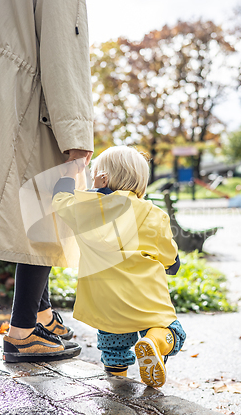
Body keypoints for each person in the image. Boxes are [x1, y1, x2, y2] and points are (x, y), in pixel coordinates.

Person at [0, 0, 94, 362]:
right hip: (31, 94)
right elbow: (63, 46)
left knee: (27, 208)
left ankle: (42, 314)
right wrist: (76, 133)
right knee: (47, 208)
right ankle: (23, 332)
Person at [51, 146, 186, 387]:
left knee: (114, 345)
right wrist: (172, 262)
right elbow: (167, 252)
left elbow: (60, 200)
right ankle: (155, 342)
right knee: (172, 331)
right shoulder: (151, 213)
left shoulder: (86, 211)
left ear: (102, 177)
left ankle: (117, 383)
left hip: (105, 301)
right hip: (143, 296)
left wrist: (69, 175)